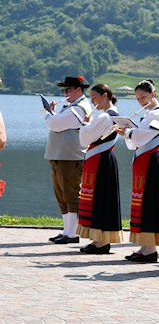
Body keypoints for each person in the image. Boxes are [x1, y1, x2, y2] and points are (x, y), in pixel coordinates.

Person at [121, 79, 159, 263]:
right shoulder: (148, 114)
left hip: (152, 161)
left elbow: (141, 136)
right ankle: (144, 247)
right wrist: (128, 132)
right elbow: (136, 140)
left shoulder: (157, 114)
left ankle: (150, 249)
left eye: (144, 97)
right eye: (138, 98)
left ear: (153, 94)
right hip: (144, 160)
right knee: (142, 203)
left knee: (150, 203)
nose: (141, 101)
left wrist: (126, 132)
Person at [44, 76, 93, 244]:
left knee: (71, 194)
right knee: (61, 194)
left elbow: (56, 124)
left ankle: (72, 233)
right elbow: (56, 122)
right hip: (60, 155)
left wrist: (49, 116)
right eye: (64, 90)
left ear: (79, 90)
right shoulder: (71, 106)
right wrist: (52, 116)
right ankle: (66, 230)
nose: (65, 93)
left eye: (68, 90)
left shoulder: (80, 108)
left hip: (70, 156)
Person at [76, 84, 123, 254]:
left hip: (101, 159)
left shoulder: (106, 116)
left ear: (105, 96)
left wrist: (84, 123)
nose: (92, 101)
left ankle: (102, 241)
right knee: (98, 197)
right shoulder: (110, 115)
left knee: (100, 197)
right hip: (102, 158)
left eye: (94, 97)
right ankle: (98, 239)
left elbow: (87, 136)